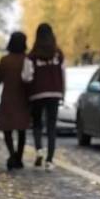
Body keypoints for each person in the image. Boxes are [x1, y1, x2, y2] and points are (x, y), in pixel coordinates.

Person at [0, 31, 31, 170]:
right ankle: (19, 157)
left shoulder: (5, 60)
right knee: (22, 130)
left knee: (7, 129)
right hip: (23, 98)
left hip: (8, 97)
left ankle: (12, 154)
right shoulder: (27, 59)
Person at [28, 22, 65, 170]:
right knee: (51, 126)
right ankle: (49, 160)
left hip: (37, 93)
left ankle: (39, 150)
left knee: (37, 123)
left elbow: (26, 76)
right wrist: (62, 92)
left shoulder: (32, 56)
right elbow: (63, 74)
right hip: (54, 92)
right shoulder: (58, 54)